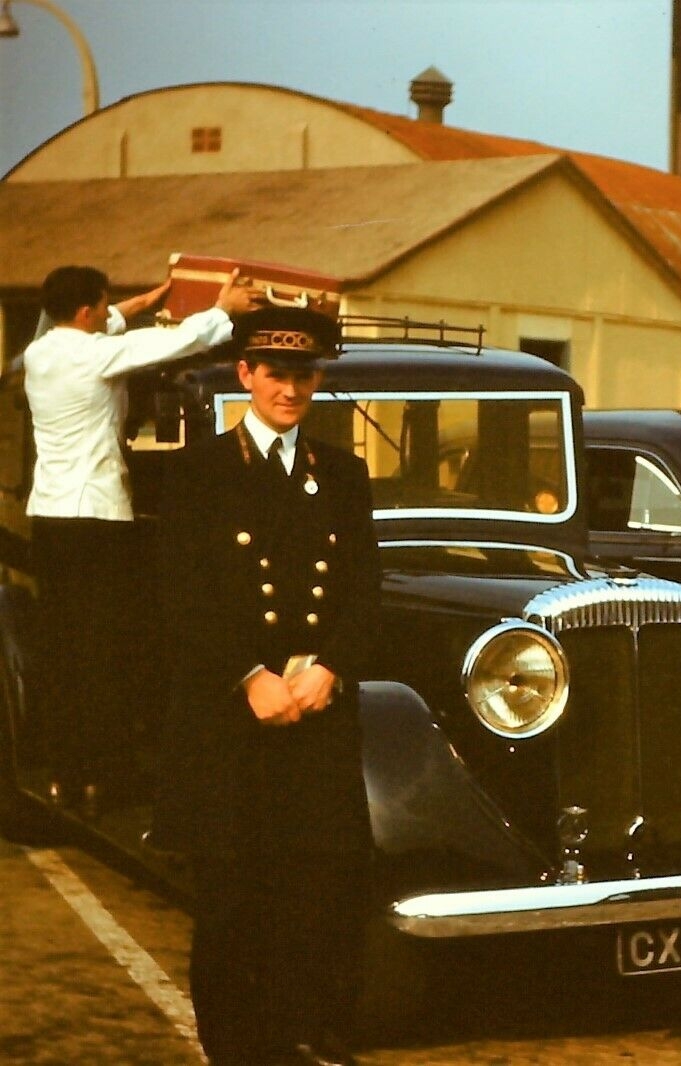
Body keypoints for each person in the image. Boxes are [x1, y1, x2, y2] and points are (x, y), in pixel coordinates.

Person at [156, 307, 379, 1066]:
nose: (291, 388)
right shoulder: (195, 470)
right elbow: (179, 594)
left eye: (305, 374)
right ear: (244, 374)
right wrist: (247, 676)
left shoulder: (342, 474)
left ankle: (311, 1034)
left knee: (320, 888)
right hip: (232, 715)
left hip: (316, 709)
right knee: (232, 897)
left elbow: (364, 589)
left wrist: (329, 668)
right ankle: (237, 1048)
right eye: (275, 373)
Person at [22, 264, 258, 813]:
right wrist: (223, 309)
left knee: (63, 648)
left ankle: (65, 774)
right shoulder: (96, 356)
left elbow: (108, 330)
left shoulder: (42, 353)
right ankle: (109, 776)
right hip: (96, 518)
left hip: (50, 517)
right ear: (86, 311)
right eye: (104, 305)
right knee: (105, 651)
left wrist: (140, 302)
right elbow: (175, 342)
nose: (109, 313)